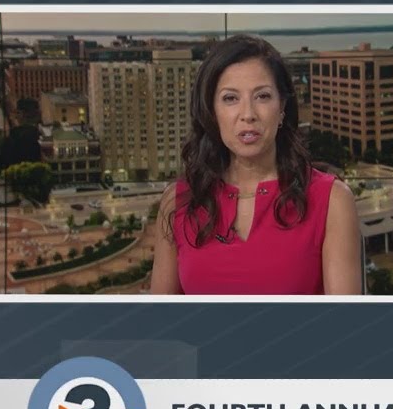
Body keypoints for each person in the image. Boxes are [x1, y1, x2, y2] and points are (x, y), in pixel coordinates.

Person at [151, 35, 362, 295]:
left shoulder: (332, 201)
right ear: (211, 111)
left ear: (282, 106)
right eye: (230, 99)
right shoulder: (178, 202)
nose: (248, 114)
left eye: (262, 96)